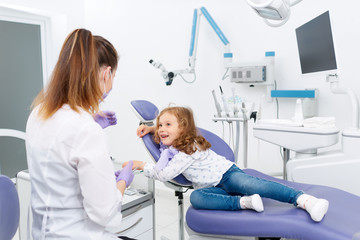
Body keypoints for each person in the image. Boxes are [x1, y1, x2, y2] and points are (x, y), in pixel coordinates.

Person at [125, 106, 329, 222]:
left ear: (184, 129)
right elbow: (165, 136)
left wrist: (141, 165)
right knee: (197, 198)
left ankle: (304, 200)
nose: (161, 129)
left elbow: (163, 174)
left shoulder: (186, 150)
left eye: (167, 125)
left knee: (255, 185)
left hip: (228, 175)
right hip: (211, 187)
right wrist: (152, 129)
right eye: (160, 125)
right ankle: (244, 203)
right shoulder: (171, 149)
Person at [25, 28, 135, 240]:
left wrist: (89, 122)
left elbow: (57, 150)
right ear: (106, 73)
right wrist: (123, 182)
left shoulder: (38, 113)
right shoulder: (86, 130)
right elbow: (105, 215)